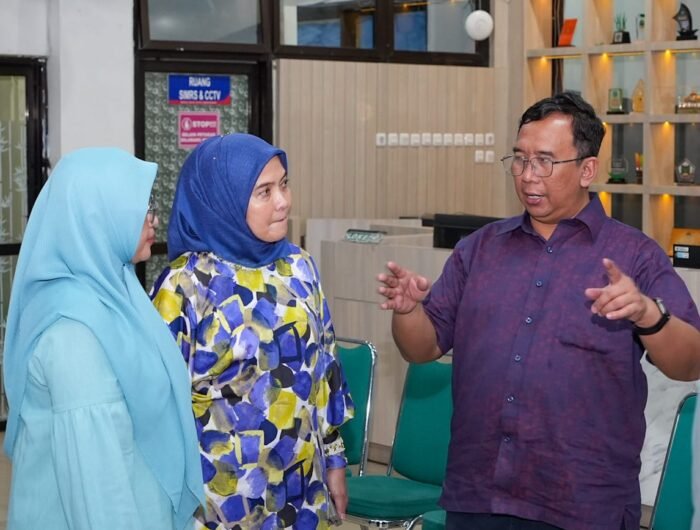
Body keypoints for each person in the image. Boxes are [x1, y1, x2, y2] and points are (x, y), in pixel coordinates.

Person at [377, 91, 700, 530]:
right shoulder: (480, 249)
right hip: (480, 493)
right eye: (520, 159)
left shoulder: (634, 255)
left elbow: (689, 362)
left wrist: (648, 315)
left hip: (582, 503)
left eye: (545, 161)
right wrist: (407, 311)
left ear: (587, 169)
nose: (528, 176)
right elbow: (422, 347)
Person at [150, 133, 354, 530]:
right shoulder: (185, 286)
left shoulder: (299, 267)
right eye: (264, 192)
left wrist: (334, 460)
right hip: (220, 503)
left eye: (284, 184)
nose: (283, 201)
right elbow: (157, 406)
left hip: (302, 491)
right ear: (222, 201)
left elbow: (325, 371)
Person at [2, 148, 204, 529]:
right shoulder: (73, 336)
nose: (154, 219)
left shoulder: (116, 295)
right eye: (142, 207)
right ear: (97, 218)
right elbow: (99, 494)